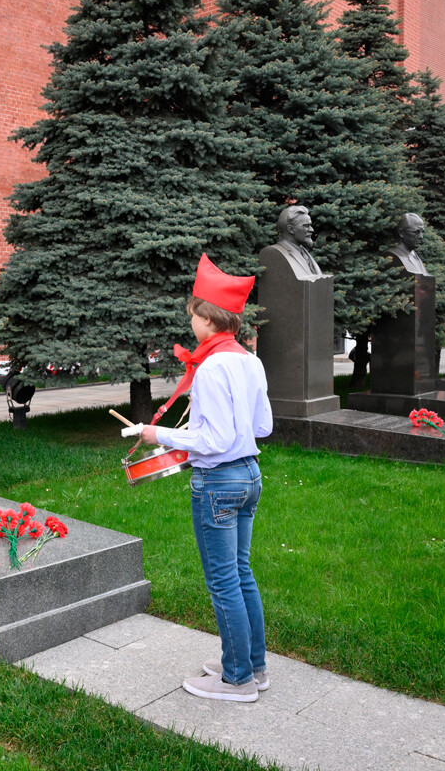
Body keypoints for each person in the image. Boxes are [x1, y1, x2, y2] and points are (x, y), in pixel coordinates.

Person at [141, 254, 273, 703]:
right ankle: (253, 665)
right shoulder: (248, 360)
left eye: (193, 315)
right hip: (250, 475)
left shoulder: (213, 367)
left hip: (218, 483)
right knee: (241, 573)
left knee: (222, 581)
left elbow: (212, 439)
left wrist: (154, 433)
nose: (191, 323)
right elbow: (262, 428)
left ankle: (236, 678)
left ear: (207, 317)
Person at [272, 205, 322, 277]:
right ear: (291, 229)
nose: (311, 230)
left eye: (310, 225)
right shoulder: (275, 253)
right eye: (306, 226)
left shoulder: (303, 251)